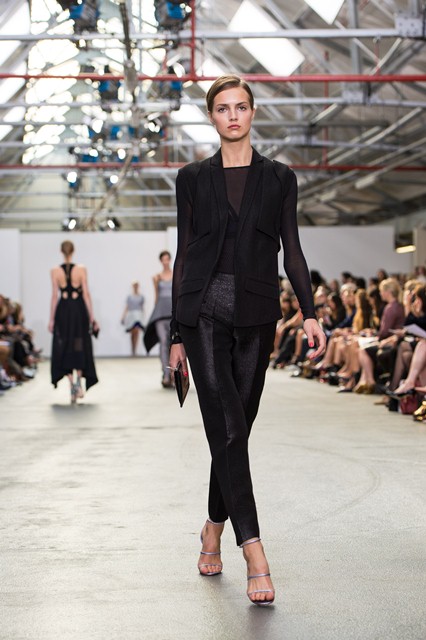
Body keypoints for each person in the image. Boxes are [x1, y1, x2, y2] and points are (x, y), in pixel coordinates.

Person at [169, 75, 326, 606]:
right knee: (230, 428)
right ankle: (254, 549)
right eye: (222, 108)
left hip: (258, 314)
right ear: (212, 116)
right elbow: (184, 253)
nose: (232, 116)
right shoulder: (192, 178)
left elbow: (292, 249)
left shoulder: (280, 178)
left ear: (253, 112)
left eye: (240, 107)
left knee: (236, 431)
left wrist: (309, 312)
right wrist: (176, 332)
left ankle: (212, 526)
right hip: (203, 314)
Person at [49, 240, 98, 403]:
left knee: (65, 345)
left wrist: (51, 319)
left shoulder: (55, 271)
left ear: (61, 251)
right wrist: (92, 316)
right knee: (79, 344)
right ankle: (78, 383)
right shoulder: (81, 269)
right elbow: (86, 294)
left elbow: (54, 296)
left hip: (63, 311)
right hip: (78, 311)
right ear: (73, 251)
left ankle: (72, 385)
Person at [143, 251, 173, 387]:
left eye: (167, 259)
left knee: (174, 344)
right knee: (163, 342)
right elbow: (156, 297)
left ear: (170, 260)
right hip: (160, 314)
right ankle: (166, 375)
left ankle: (174, 375)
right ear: (161, 261)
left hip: (173, 313)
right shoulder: (156, 277)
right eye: (163, 259)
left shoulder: (176, 274)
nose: (165, 261)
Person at [121, 281, 145, 356]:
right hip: (131, 316)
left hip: (138, 316)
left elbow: (142, 308)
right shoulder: (130, 297)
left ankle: (135, 350)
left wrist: (143, 318)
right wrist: (123, 317)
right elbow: (127, 307)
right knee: (132, 333)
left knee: (137, 332)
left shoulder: (141, 297)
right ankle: (133, 349)